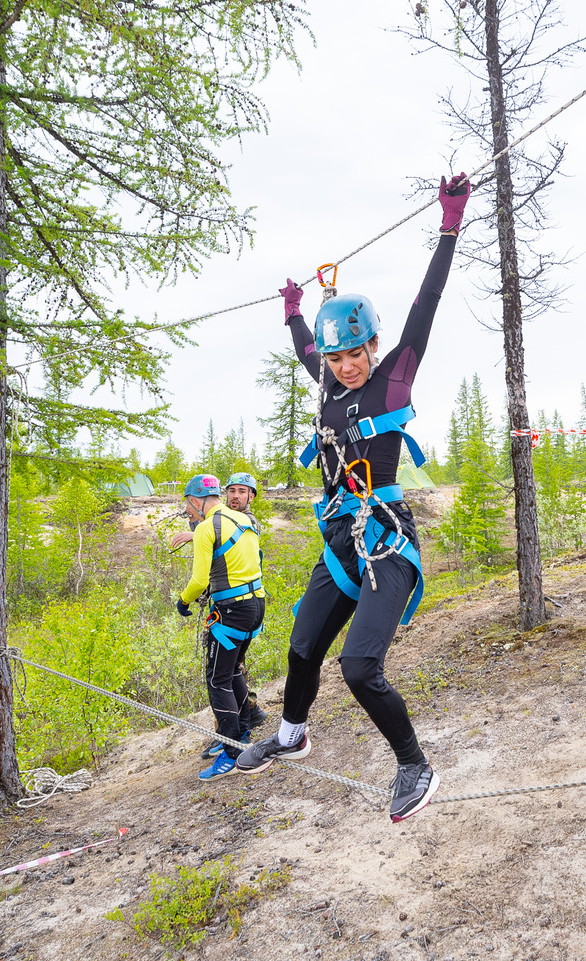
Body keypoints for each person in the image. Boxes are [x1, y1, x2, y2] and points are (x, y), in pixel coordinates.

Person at [235, 172, 470, 822]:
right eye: (336, 357)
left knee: (358, 665)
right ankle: (290, 735)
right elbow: (305, 345)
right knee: (302, 646)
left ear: (372, 344)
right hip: (340, 537)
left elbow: (428, 301)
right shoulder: (327, 382)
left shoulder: (393, 376)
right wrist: (290, 311)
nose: (345, 364)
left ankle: (414, 764)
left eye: (354, 352)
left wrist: (448, 224)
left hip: (388, 538)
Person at [174, 473, 263, 781]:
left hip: (231, 611)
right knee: (233, 670)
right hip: (255, 606)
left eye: (187, 504)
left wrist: (183, 602)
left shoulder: (205, 528)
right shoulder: (241, 519)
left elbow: (199, 581)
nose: (187, 511)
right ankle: (243, 731)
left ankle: (233, 751)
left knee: (217, 680)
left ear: (197, 501)